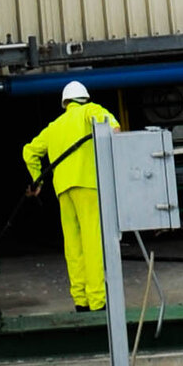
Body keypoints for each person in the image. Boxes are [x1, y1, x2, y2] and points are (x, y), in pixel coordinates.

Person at [22, 79, 120, 314]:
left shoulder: (54, 126)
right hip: (88, 186)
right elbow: (112, 127)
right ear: (85, 98)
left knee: (73, 245)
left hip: (63, 190)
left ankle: (80, 300)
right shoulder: (90, 110)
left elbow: (29, 151)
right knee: (92, 242)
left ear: (65, 102)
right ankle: (97, 301)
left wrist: (38, 180)